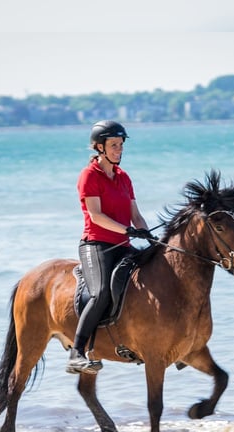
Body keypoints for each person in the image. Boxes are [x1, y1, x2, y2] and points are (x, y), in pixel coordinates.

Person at [66, 120, 154, 374]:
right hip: (97, 245)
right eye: (114, 145)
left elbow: (135, 215)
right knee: (101, 292)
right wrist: (126, 230)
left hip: (123, 243)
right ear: (99, 147)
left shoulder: (124, 177)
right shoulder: (89, 176)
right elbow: (96, 216)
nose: (119, 150)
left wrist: (148, 236)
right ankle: (77, 352)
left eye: (121, 145)